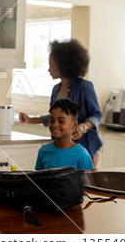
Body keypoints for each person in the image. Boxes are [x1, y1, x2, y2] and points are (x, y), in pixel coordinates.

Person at [19, 39, 103, 167]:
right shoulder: (55, 89)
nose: (48, 69)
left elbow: (97, 114)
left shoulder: (84, 87)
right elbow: (56, 116)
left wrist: (83, 127)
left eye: (52, 65)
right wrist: (30, 120)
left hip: (87, 148)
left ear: (64, 65)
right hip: (63, 150)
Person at [35, 99, 94, 170]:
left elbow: (87, 180)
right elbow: (37, 179)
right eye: (52, 121)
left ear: (74, 125)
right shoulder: (43, 151)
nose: (55, 125)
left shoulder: (82, 155)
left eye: (61, 121)